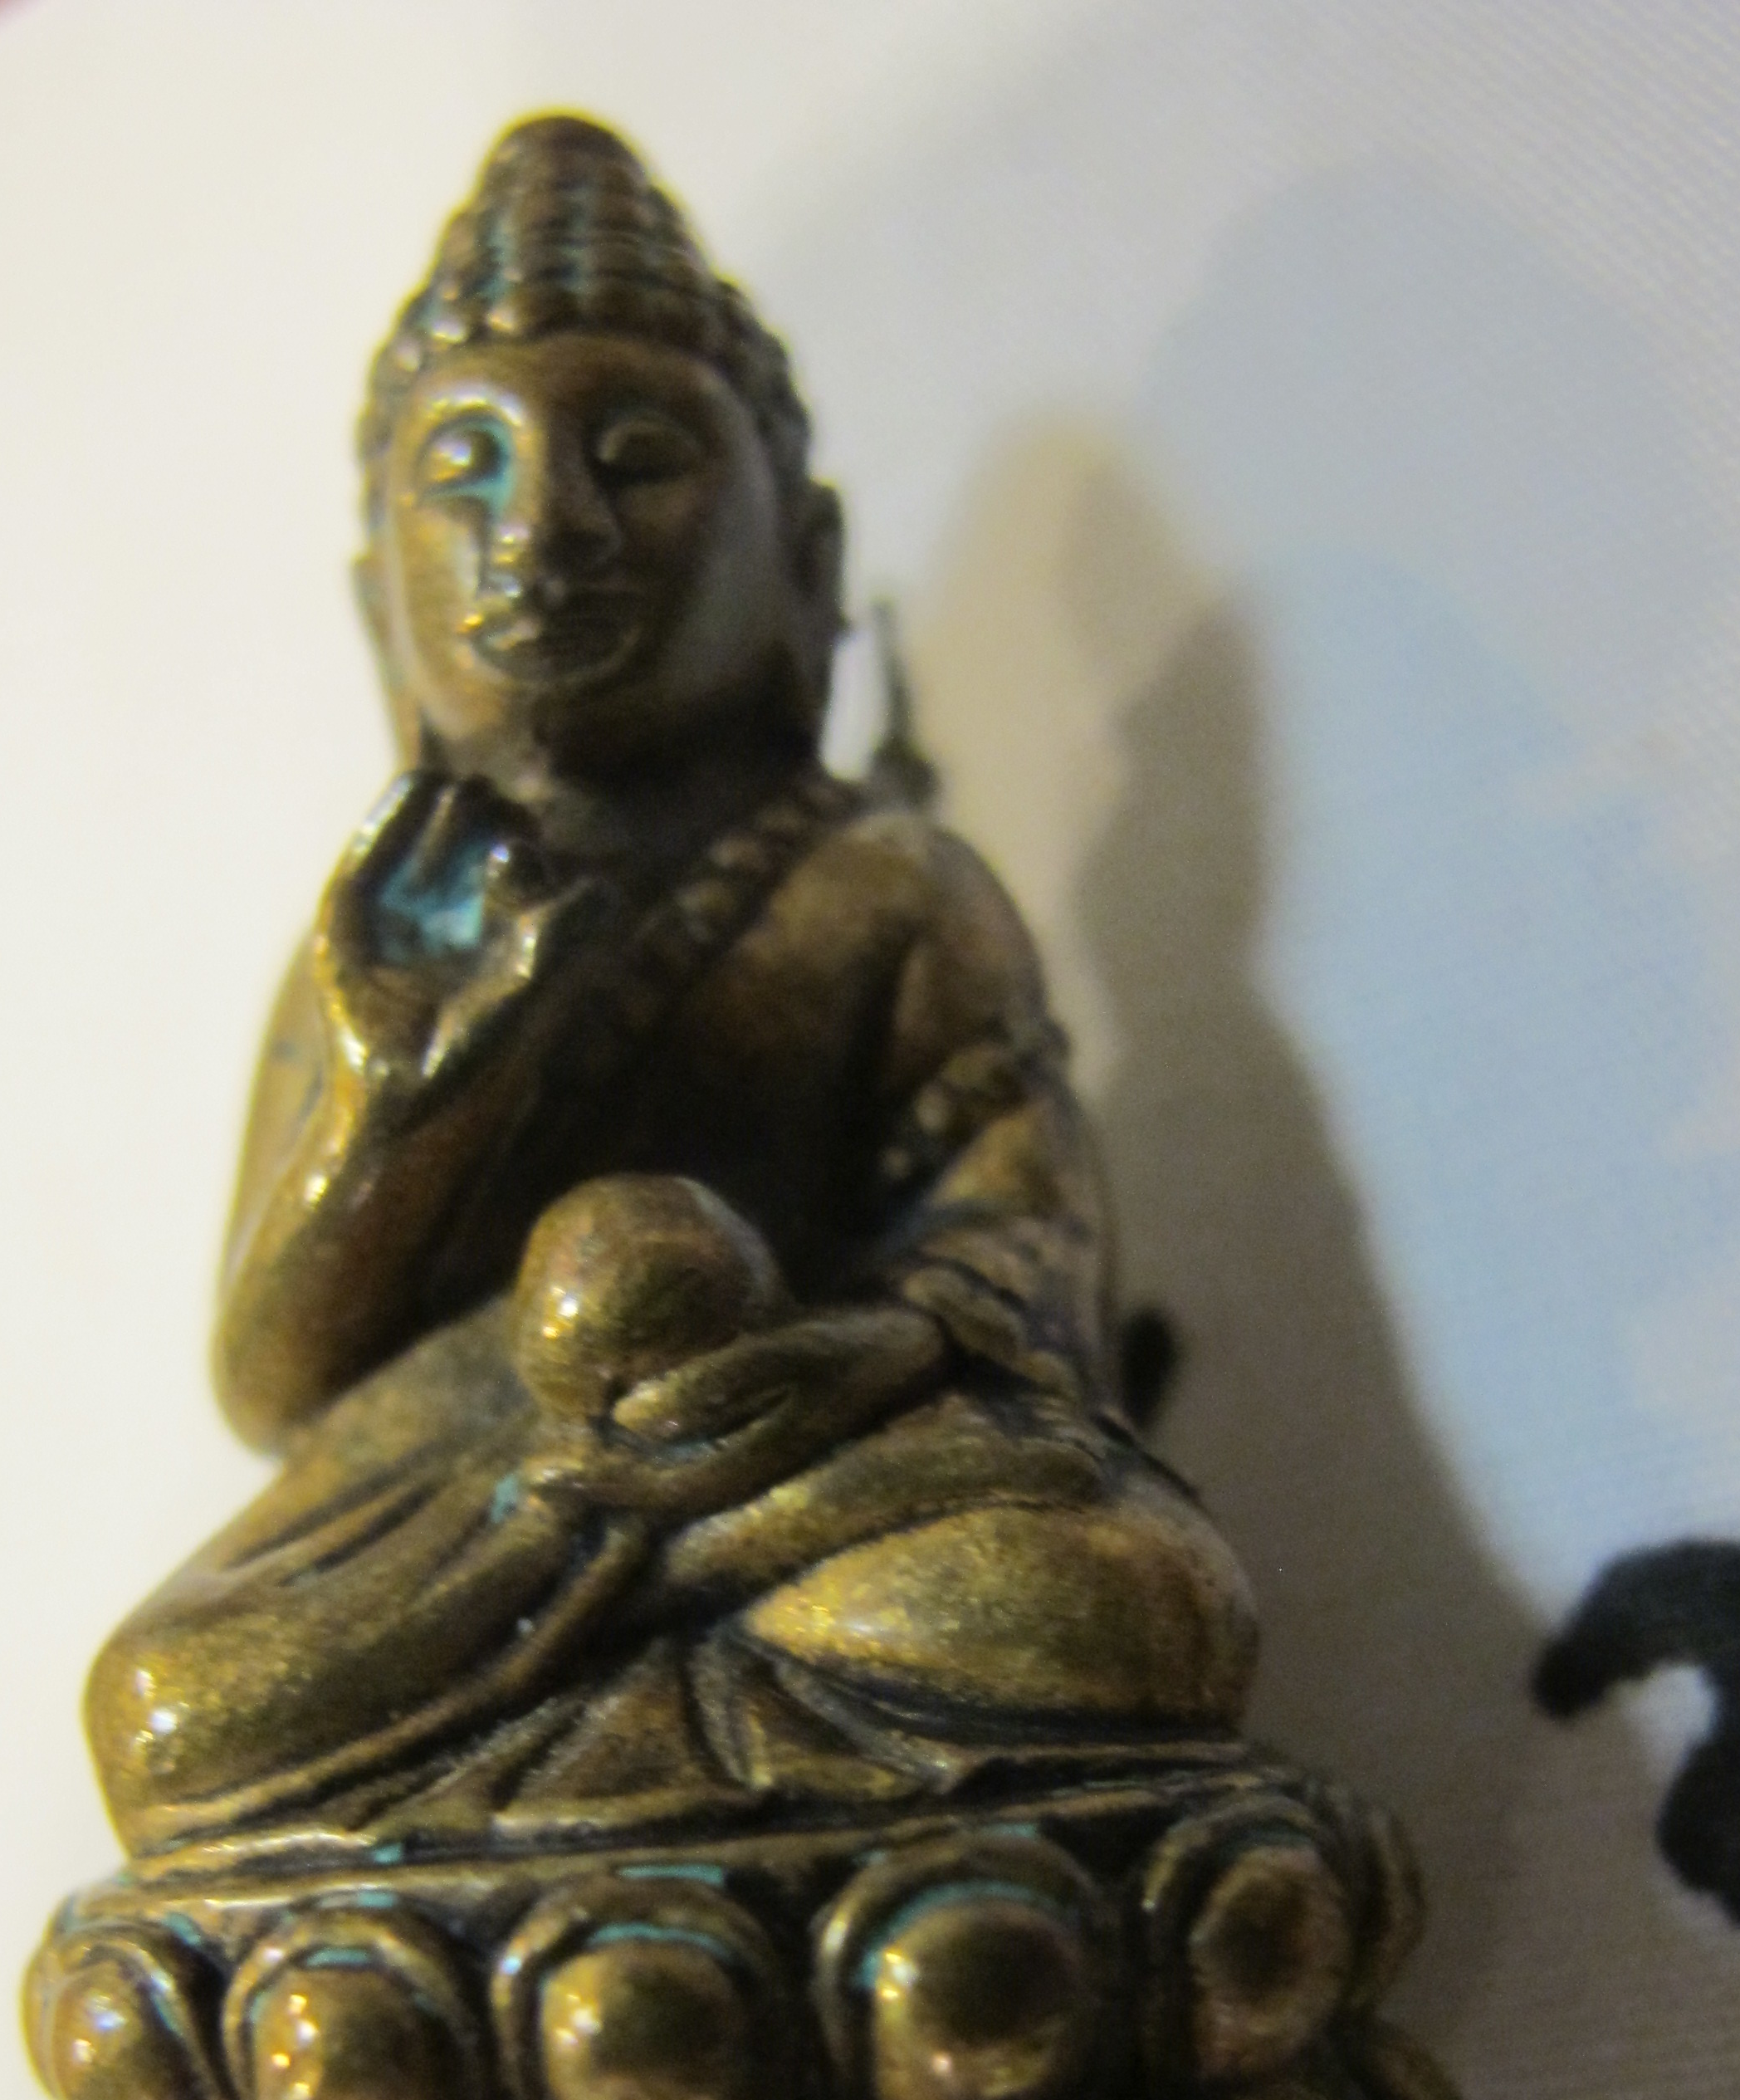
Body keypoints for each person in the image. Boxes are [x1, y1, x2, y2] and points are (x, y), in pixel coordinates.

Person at [86, 115, 1257, 1859]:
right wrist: (404, 1109)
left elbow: (1020, 1240)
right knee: (168, 1708)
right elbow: (274, 1380)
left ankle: (651, 1627)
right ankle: (658, 1616)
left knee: (1124, 1606)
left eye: (637, 460)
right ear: (379, 609)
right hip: (483, 1509)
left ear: (803, 564)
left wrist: (851, 1356)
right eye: (463, 471)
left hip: (816, 1455)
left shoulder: (886, 889)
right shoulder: (397, 934)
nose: (543, 530)